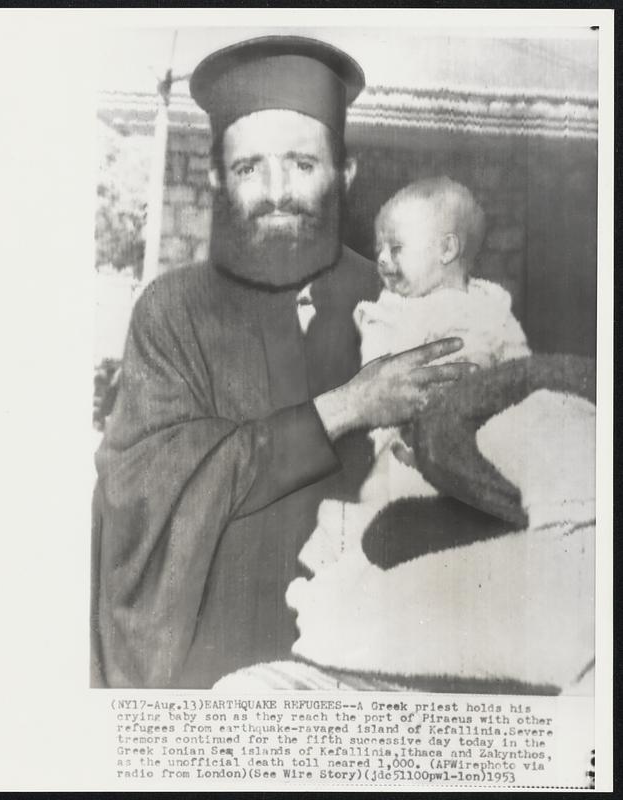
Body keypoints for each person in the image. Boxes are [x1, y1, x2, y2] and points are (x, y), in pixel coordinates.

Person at [90, 36, 476, 689]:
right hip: (209, 668)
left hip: (366, 669)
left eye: (300, 163)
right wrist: (347, 405)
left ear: (343, 175)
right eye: (249, 169)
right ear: (217, 177)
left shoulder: (404, 302)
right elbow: (142, 491)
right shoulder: (170, 312)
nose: (276, 192)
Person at [354, 177, 530, 504]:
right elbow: (376, 378)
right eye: (379, 248)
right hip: (413, 442)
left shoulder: (491, 305)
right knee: (378, 490)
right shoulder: (393, 311)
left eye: (395, 248)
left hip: (483, 434)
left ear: (447, 249)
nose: (381, 258)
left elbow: (520, 365)